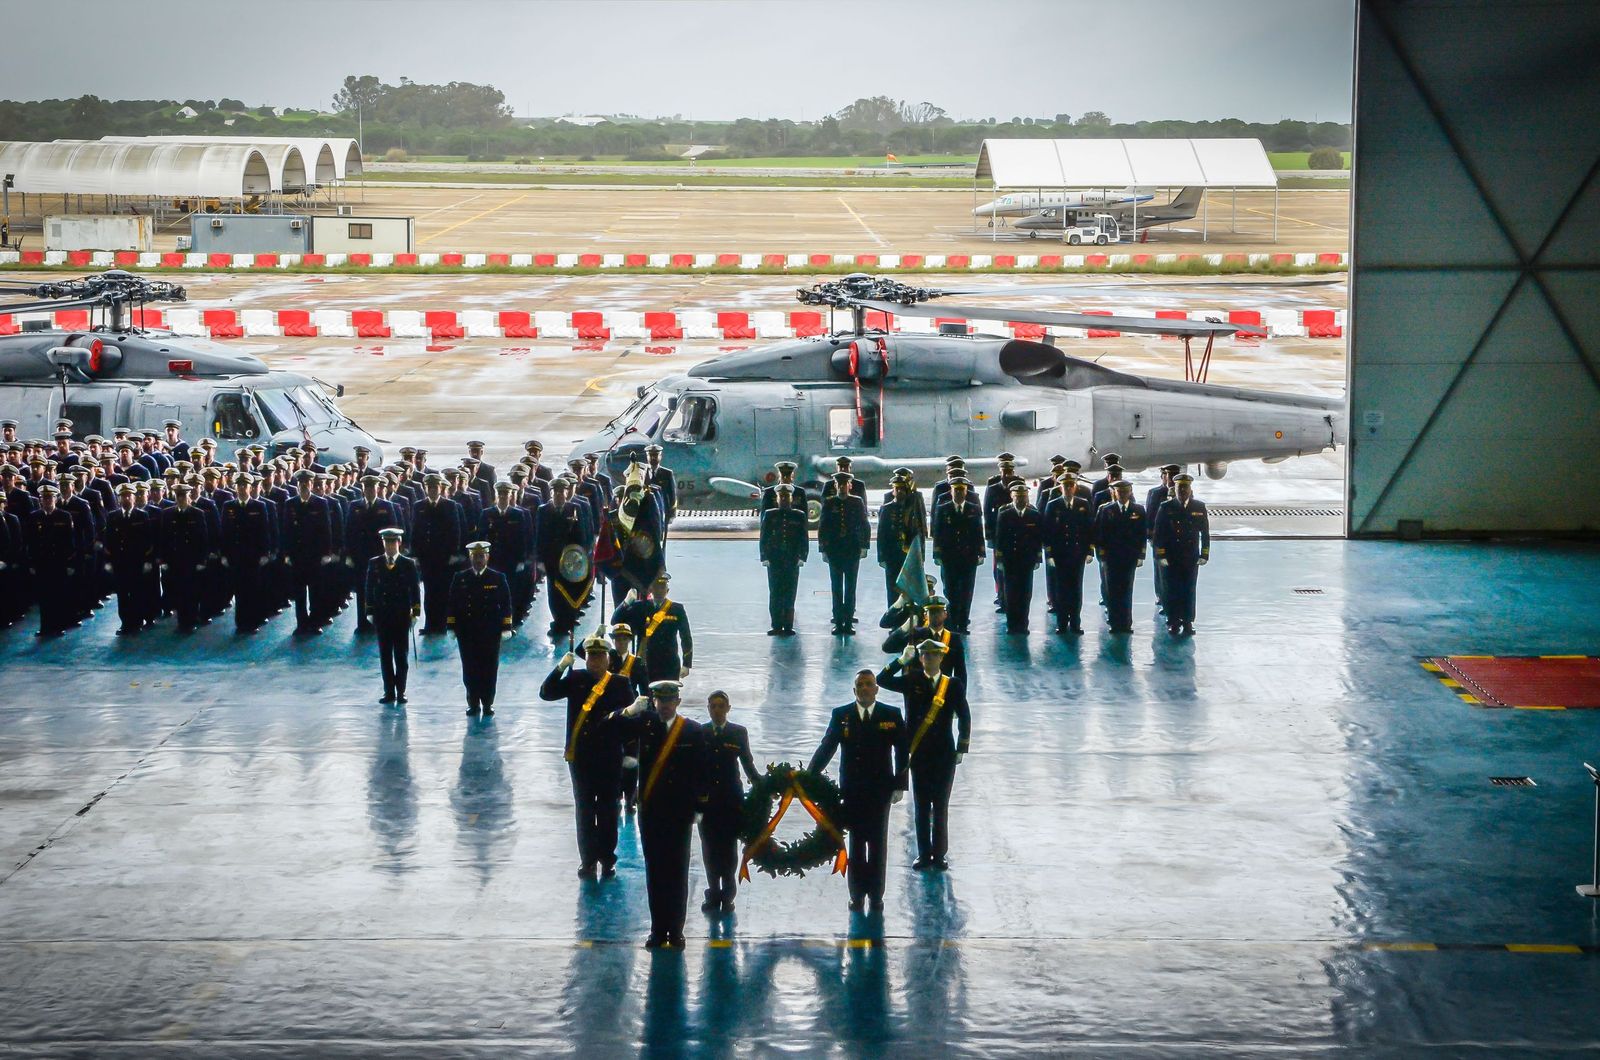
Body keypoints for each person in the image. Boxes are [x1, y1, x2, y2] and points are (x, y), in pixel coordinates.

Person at [808, 669, 907, 913]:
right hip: (852, 791)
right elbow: (827, 747)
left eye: (869, 684)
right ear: (854, 690)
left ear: (876, 689)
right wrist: (808, 777)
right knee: (856, 843)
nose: (864, 688)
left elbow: (902, 751)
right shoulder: (842, 715)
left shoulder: (891, 715)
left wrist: (900, 785)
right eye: (860, 685)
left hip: (880, 791)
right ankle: (857, 894)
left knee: (878, 844)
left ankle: (876, 895)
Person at [617, 680, 707, 948]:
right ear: (653, 701)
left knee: (677, 872)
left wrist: (699, 807)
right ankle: (658, 930)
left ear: (677, 702)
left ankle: (676, 931)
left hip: (679, 813)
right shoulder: (645, 725)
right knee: (655, 872)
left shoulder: (692, 730)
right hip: (651, 812)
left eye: (669, 701)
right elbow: (608, 729)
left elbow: (701, 771)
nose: (665, 705)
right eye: (660, 700)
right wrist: (629, 711)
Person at [541, 635, 636, 878]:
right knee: (584, 811)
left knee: (608, 810)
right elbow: (546, 693)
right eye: (591, 657)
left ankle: (607, 858)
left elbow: (631, 723)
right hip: (581, 757)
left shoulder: (620, 684)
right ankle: (588, 861)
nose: (595, 661)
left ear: (608, 659)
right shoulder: (576, 679)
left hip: (609, 756)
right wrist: (560, 668)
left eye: (599, 657)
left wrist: (630, 755)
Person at [877, 639, 970, 872]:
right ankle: (924, 853)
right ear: (920, 658)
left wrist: (962, 747)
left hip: (944, 753)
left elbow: (964, 716)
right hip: (919, 753)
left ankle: (939, 854)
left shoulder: (952, 685)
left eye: (934, 655)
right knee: (921, 804)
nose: (929, 659)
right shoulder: (912, 680)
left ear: (941, 658)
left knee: (940, 805)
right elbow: (882, 680)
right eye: (925, 655)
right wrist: (900, 661)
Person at [698, 690, 759, 914]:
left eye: (720, 706)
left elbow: (747, 763)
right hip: (707, 802)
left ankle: (728, 893)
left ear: (728, 709)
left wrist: (761, 786)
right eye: (713, 706)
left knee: (729, 849)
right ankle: (713, 892)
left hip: (731, 800)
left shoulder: (738, 733)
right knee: (709, 849)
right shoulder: (700, 733)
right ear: (708, 709)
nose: (717, 710)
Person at [447, 541, 513, 716]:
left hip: (490, 632)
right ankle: (473, 702)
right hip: (467, 632)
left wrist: (506, 626)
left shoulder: (497, 578)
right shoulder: (460, 578)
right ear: (470, 558)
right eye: (475, 556)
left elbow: (506, 604)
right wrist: (451, 626)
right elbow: (452, 603)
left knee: (489, 668)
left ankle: (488, 702)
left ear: (487, 557)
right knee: (470, 668)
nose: (478, 560)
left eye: (481, 556)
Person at [366, 527, 421, 703]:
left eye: (393, 542)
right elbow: (369, 588)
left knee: (401, 656)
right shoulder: (375, 563)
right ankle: (389, 691)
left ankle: (401, 691)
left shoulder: (408, 564)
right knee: (385, 656)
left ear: (399, 543)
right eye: (387, 543)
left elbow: (415, 590)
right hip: (382, 616)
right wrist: (369, 611)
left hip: (401, 615)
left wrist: (416, 612)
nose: (390, 546)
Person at [1153, 472, 1210, 636]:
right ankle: (1173, 621)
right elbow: (1159, 534)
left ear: (1190, 489)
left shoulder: (1199, 507)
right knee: (1171, 589)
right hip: (1171, 556)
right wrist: (1161, 555)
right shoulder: (1166, 507)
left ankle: (1187, 621)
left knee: (1189, 589)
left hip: (1190, 556)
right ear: (1175, 489)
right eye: (1180, 488)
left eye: (1185, 488)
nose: (1183, 491)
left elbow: (1205, 533)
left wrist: (1204, 554)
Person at [611, 571, 692, 685]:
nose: (659, 590)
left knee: (669, 693)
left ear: (667, 590)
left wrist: (686, 663)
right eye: (656, 587)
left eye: (662, 587)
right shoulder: (640, 607)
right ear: (651, 589)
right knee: (646, 694)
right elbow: (615, 621)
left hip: (670, 662)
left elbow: (686, 637)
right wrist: (626, 603)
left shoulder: (677, 609)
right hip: (645, 662)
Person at [817, 470, 870, 636]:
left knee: (850, 587)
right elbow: (823, 527)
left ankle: (848, 621)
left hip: (852, 550)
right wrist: (823, 549)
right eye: (839, 484)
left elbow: (864, 524)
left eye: (844, 484)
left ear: (850, 486)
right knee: (836, 587)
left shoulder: (857, 502)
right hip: (835, 551)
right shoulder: (829, 503)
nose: (842, 487)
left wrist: (864, 546)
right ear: (835, 486)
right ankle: (838, 621)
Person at [1043, 470, 1095, 636]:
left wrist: (1090, 551)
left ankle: (1075, 623)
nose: (1068, 488)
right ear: (1061, 487)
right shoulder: (1053, 505)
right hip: (1060, 554)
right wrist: (1049, 554)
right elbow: (1047, 532)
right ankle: (1062, 623)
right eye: (1065, 486)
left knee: (1076, 589)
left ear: (1075, 487)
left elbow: (1089, 529)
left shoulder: (1083, 504)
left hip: (1077, 554)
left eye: (1071, 485)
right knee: (1061, 589)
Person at [282, 469, 334, 635]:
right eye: (301, 483)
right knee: (299, 593)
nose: (304, 486)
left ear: (311, 485)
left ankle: (315, 623)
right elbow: (286, 530)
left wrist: (326, 553)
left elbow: (326, 530)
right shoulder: (290, 504)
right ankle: (301, 624)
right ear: (297, 485)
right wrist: (286, 554)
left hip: (315, 555)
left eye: (307, 483)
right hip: (297, 555)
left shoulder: (320, 503)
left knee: (315, 591)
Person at [931, 475, 984, 634]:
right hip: (949, 557)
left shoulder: (973, 509)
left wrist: (981, 552)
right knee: (950, 590)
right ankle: (952, 624)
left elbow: (978, 531)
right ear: (951, 491)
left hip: (969, 556)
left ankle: (963, 623)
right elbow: (937, 532)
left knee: (967, 591)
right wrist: (937, 554)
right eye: (956, 490)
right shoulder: (943, 508)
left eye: (962, 490)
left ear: (966, 491)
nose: (959, 493)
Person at [412, 473, 464, 634]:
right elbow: (415, 531)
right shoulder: (419, 506)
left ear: (440, 488)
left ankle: (442, 624)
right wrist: (415, 554)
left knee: (443, 591)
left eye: (435, 488)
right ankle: (430, 625)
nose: (433, 491)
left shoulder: (450, 505)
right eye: (430, 488)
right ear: (425, 489)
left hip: (444, 556)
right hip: (427, 556)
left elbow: (455, 530)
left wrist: (454, 553)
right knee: (429, 592)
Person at [1093, 479, 1146, 633]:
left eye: (1125, 491)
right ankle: (1114, 623)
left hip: (1130, 557)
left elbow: (1142, 534)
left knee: (1127, 589)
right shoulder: (1106, 510)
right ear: (1115, 493)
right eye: (1119, 492)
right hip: (1111, 557)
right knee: (1112, 590)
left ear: (1130, 492)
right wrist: (1101, 556)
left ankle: (1126, 623)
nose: (1122, 494)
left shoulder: (1138, 510)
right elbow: (1099, 534)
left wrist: (1141, 555)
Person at [882, 595, 967, 687]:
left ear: (945, 614)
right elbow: (888, 647)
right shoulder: (915, 634)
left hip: (942, 690)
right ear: (926, 615)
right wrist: (905, 628)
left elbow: (960, 671)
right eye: (932, 612)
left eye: (939, 611)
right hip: (916, 689)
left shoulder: (954, 639)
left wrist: (960, 692)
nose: (935, 615)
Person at [159, 482, 210, 633]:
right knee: (178, 592)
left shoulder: (197, 513)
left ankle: (191, 621)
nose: (181, 499)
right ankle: (182, 622)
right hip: (175, 560)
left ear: (188, 496)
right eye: (178, 496)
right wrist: (163, 560)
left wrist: (202, 560)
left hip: (191, 560)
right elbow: (163, 539)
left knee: (192, 592)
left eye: (183, 496)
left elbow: (203, 539)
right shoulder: (167, 514)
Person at [758, 483, 808, 635]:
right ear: (777, 499)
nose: (784, 499)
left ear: (791, 498)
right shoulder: (770, 515)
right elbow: (764, 537)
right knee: (775, 592)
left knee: (790, 593)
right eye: (782, 497)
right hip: (775, 559)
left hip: (792, 559)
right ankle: (776, 625)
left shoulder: (799, 515)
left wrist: (802, 556)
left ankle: (788, 625)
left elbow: (803, 538)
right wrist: (764, 556)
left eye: (787, 497)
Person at [993, 481, 1043, 634]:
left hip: (1027, 560)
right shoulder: (1005, 514)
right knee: (1010, 593)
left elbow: (1037, 538)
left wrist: (1038, 558)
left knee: (1025, 593)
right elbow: (999, 538)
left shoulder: (1033, 514)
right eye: (1018, 496)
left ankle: (1023, 624)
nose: (1021, 499)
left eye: (1023, 496)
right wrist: (999, 559)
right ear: (1012, 497)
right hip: (1010, 559)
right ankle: (1012, 624)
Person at [876, 475, 926, 608]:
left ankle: (908, 616)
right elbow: (882, 534)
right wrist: (882, 557)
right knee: (892, 588)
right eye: (897, 489)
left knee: (909, 589)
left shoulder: (912, 509)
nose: (899, 492)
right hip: (892, 555)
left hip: (909, 555)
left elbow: (918, 533)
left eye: (902, 489)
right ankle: (893, 614)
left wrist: (921, 554)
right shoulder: (886, 509)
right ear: (893, 491)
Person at [1145, 464, 1180, 620]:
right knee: (1160, 570)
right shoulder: (1155, 493)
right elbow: (1150, 515)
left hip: (1176, 540)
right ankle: (1161, 595)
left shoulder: (1181, 493)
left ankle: (1174, 598)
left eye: (1173, 476)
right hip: (1159, 538)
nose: (1170, 479)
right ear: (1163, 477)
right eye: (1168, 476)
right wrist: (1150, 537)